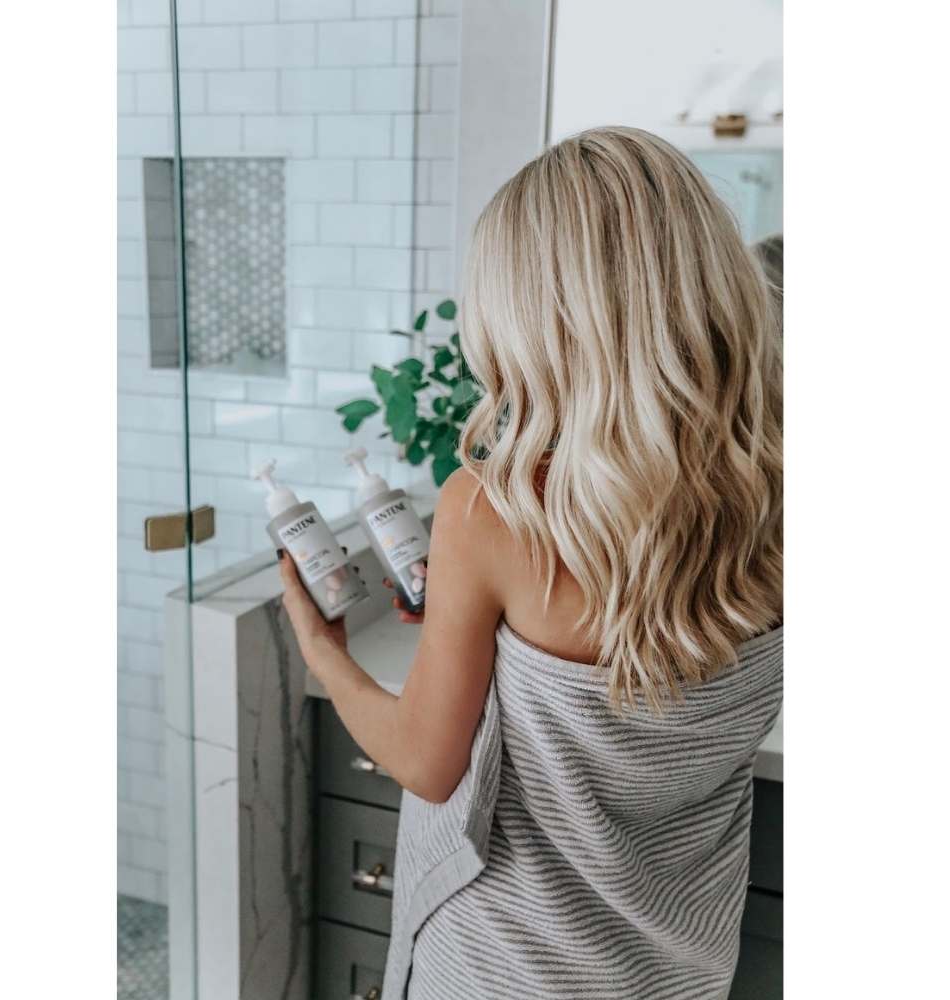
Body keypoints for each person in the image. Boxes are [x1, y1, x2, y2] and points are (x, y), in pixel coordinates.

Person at [279, 125, 783, 1000]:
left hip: (504, 968)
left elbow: (429, 762)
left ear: (535, 315)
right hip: (679, 970)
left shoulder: (496, 513)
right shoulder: (783, 492)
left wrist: (323, 648)